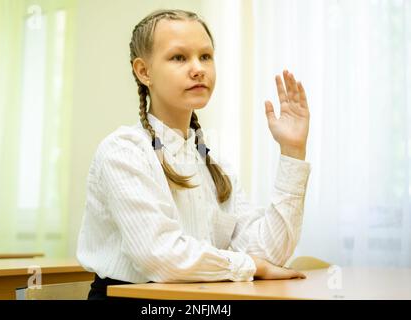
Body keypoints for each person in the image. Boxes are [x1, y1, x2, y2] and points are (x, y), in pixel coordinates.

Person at [77, 9, 311, 300]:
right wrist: (250, 266)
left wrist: (292, 151)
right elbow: (159, 256)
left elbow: (269, 254)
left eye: (205, 56)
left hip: (201, 300)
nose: (198, 68)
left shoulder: (214, 164)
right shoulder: (122, 151)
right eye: (178, 57)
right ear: (144, 71)